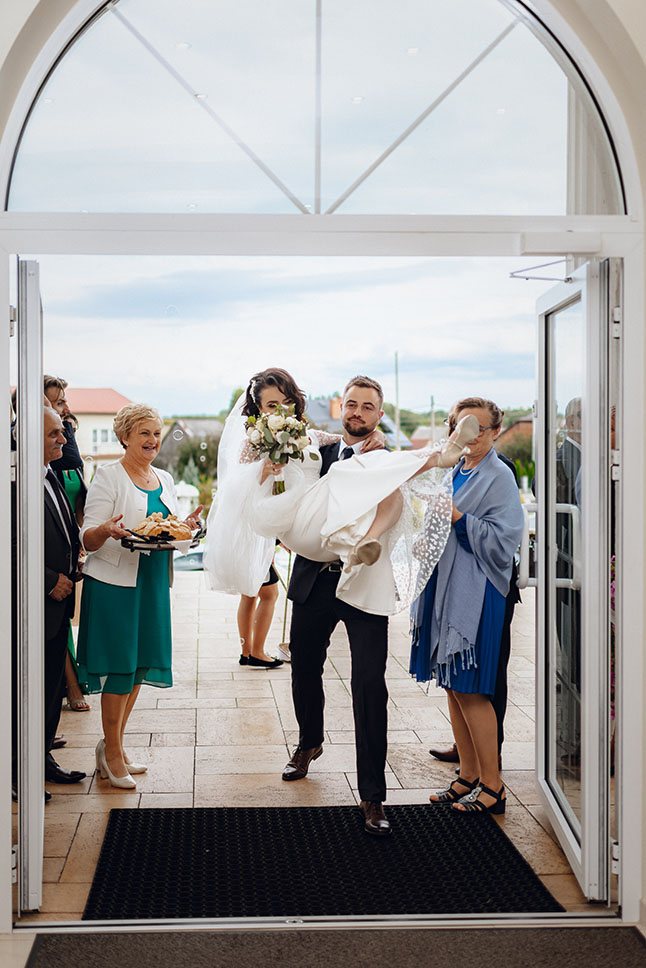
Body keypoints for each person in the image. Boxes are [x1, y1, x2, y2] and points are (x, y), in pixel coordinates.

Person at [275, 375, 474, 837]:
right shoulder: (316, 453)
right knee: (304, 668)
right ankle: (309, 742)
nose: (358, 412)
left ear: (379, 415)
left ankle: (373, 796)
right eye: (352, 404)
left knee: (369, 685)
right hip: (314, 578)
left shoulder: (385, 457)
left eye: (367, 407)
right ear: (340, 408)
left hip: (365, 580)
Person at [76, 404, 202, 789]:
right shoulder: (108, 477)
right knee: (120, 667)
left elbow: (168, 529)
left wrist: (188, 527)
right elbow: (88, 537)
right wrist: (107, 530)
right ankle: (113, 754)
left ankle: (111, 744)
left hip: (152, 583)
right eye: (144, 433)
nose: (152, 440)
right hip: (114, 584)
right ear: (125, 437)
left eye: (157, 433)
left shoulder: (164, 478)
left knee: (140, 665)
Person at [410, 396, 524, 814]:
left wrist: (458, 518)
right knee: (453, 684)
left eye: (478, 429)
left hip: (478, 592)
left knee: (472, 688)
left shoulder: (499, 475)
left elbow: (505, 539)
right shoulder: (454, 468)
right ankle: (469, 775)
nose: (469, 436)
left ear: (495, 432)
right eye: (461, 427)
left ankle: (493, 787)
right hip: (445, 585)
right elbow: (436, 522)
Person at [42, 406, 87, 789]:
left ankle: (41, 760)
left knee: (52, 687)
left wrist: (76, 557)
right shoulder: (16, 482)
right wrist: (47, 580)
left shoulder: (51, 474)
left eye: (62, 431)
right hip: (37, 603)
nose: (63, 438)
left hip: (59, 603)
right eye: (54, 433)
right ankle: (19, 771)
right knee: (31, 690)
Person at [44, 374, 90, 711]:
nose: (64, 409)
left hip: (68, 546)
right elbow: (70, 459)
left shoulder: (61, 439)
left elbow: (76, 474)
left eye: (64, 402)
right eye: (56, 402)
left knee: (62, 629)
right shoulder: (44, 459)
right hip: (48, 561)